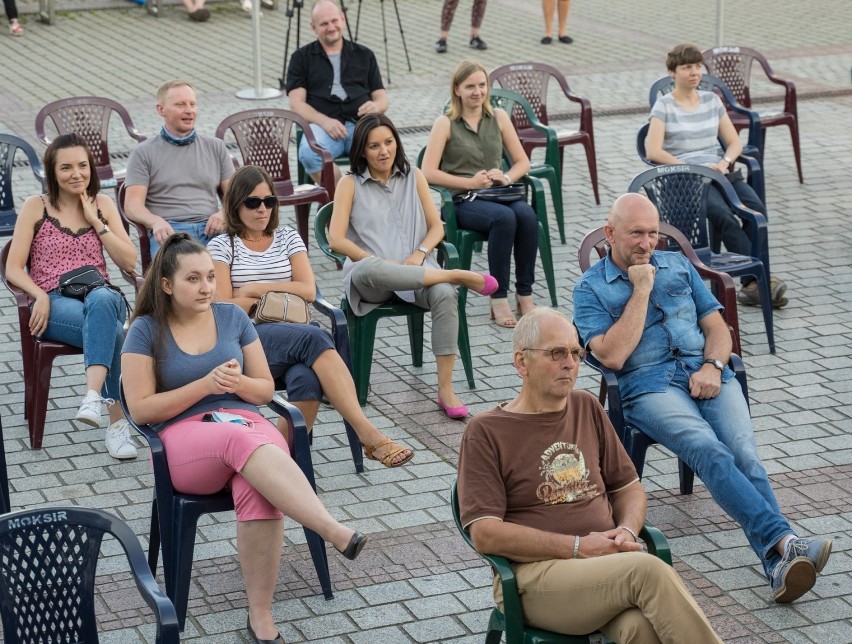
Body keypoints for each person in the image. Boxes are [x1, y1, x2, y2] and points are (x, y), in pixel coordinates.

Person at [573, 193, 833, 603]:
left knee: (744, 453)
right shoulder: (590, 289)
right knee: (707, 449)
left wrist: (713, 365)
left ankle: (781, 558)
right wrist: (640, 290)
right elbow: (612, 356)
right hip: (649, 386)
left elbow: (717, 327)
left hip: (706, 371)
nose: (646, 243)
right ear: (610, 233)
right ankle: (786, 542)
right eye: (635, 234)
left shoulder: (677, 265)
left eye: (653, 233)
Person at [121, 234, 368, 643]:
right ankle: (330, 528)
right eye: (193, 279)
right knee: (245, 441)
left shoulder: (233, 318)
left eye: (209, 278)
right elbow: (142, 409)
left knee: (258, 481)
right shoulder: (145, 330)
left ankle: (261, 618)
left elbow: (265, 390)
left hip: (242, 424)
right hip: (182, 442)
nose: (206, 287)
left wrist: (239, 383)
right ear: (166, 285)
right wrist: (204, 386)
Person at [458, 308, 723, 642]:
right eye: (556, 353)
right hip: (534, 578)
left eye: (575, 353)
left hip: (604, 568)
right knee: (648, 571)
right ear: (521, 362)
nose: (570, 363)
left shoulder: (586, 407)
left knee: (640, 630)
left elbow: (628, 487)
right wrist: (578, 547)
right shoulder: (487, 431)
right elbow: (485, 534)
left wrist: (626, 529)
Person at [208, 164, 414, 467]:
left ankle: (277, 459)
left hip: (293, 332)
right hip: (248, 339)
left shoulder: (287, 237)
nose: (262, 209)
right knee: (317, 337)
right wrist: (273, 294)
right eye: (253, 202)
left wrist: (253, 289)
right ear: (235, 203)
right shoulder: (222, 245)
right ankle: (367, 433)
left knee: (307, 378)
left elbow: (307, 289)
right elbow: (226, 305)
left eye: (269, 201)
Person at [329, 114, 497, 419]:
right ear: (361, 151)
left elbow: (437, 227)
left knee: (445, 294)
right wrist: (371, 258)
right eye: (374, 146)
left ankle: (445, 388)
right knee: (366, 268)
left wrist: (419, 253)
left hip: (420, 272)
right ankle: (456, 274)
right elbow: (336, 239)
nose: (383, 151)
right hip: (375, 282)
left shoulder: (414, 176)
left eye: (389, 142)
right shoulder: (349, 184)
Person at [5, 133, 138, 460]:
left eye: (82, 166)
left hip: (100, 296)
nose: (76, 173)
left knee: (105, 301)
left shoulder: (103, 205)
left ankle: (92, 395)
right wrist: (40, 294)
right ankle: (117, 422)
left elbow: (129, 261)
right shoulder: (36, 206)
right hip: (54, 303)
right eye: (66, 168)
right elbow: (13, 267)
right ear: (52, 172)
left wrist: (97, 222)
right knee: (112, 332)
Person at [645, 43, 788, 308]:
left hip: (720, 173)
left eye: (698, 66)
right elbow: (652, 150)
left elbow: (734, 143)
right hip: (687, 180)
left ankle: (753, 284)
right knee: (724, 216)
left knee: (756, 209)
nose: (694, 72)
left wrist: (723, 163)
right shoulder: (664, 106)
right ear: (672, 72)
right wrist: (687, 166)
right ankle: (758, 282)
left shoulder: (712, 100)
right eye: (687, 67)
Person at [422, 59, 540, 330]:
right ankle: (497, 297)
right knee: (505, 219)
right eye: (470, 86)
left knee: (526, 215)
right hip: (462, 201)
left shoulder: (498, 117)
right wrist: (469, 182)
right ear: (457, 89)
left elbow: (523, 162)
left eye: (482, 85)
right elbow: (427, 172)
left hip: (498, 194)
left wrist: (506, 176)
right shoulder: (445, 123)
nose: (477, 92)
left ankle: (525, 293)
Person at [124, 79, 233, 257]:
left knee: (241, 269)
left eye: (192, 104)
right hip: (171, 232)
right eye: (180, 105)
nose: (189, 110)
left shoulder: (216, 147)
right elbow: (132, 205)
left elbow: (235, 196)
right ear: (161, 110)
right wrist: (155, 221)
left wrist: (224, 213)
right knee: (181, 276)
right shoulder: (143, 152)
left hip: (213, 229)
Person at [285, 0, 388, 187]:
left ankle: (375, 203)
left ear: (343, 19)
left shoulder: (365, 55)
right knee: (309, 154)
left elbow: (381, 97)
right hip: (322, 126)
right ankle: (339, 202)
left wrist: (376, 106)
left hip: (360, 124)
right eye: (324, 24)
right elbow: (296, 104)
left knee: (385, 152)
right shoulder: (301, 58)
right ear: (314, 27)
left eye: (334, 21)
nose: (331, 27)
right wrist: (325, 121)